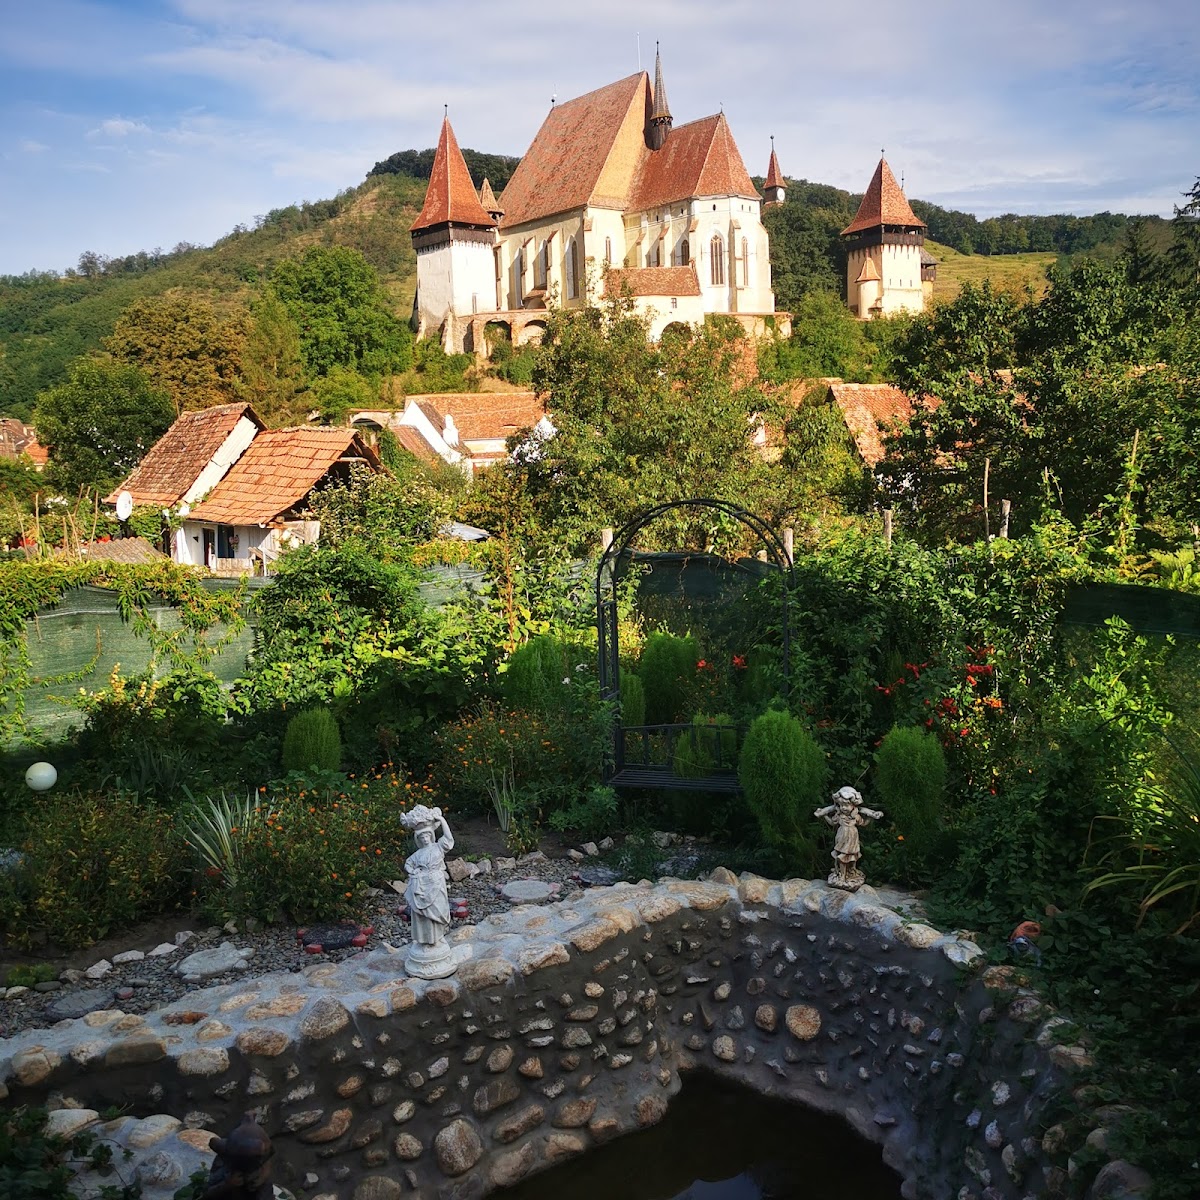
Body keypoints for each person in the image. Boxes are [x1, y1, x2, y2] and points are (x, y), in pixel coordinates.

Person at [401, 805, 457, 977]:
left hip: (436, 884)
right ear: (418, 839)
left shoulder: (438, 848)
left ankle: (438, 938)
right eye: (422, 837)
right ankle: (425, 941)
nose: (425, 839)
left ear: (431, 836)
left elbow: (448, 839)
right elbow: (408, 865)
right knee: (423, 915)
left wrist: (442, 821)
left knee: (438, 911)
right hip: (422, 887)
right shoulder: (417, 855)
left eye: (427, 835)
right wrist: (414, 872)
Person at [814, 785, 883, 891]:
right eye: (841, 805)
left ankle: (851, 871)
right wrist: (824, 816)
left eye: (846, 805)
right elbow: (832, 823)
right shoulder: (839, 815)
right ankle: (842, 875)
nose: (843, 808)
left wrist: (870, 817)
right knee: (842, 856)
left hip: (853, 837)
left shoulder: (855, 816)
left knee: (853, 856)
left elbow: (863, 823)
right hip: (842, 837)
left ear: (853, 805)